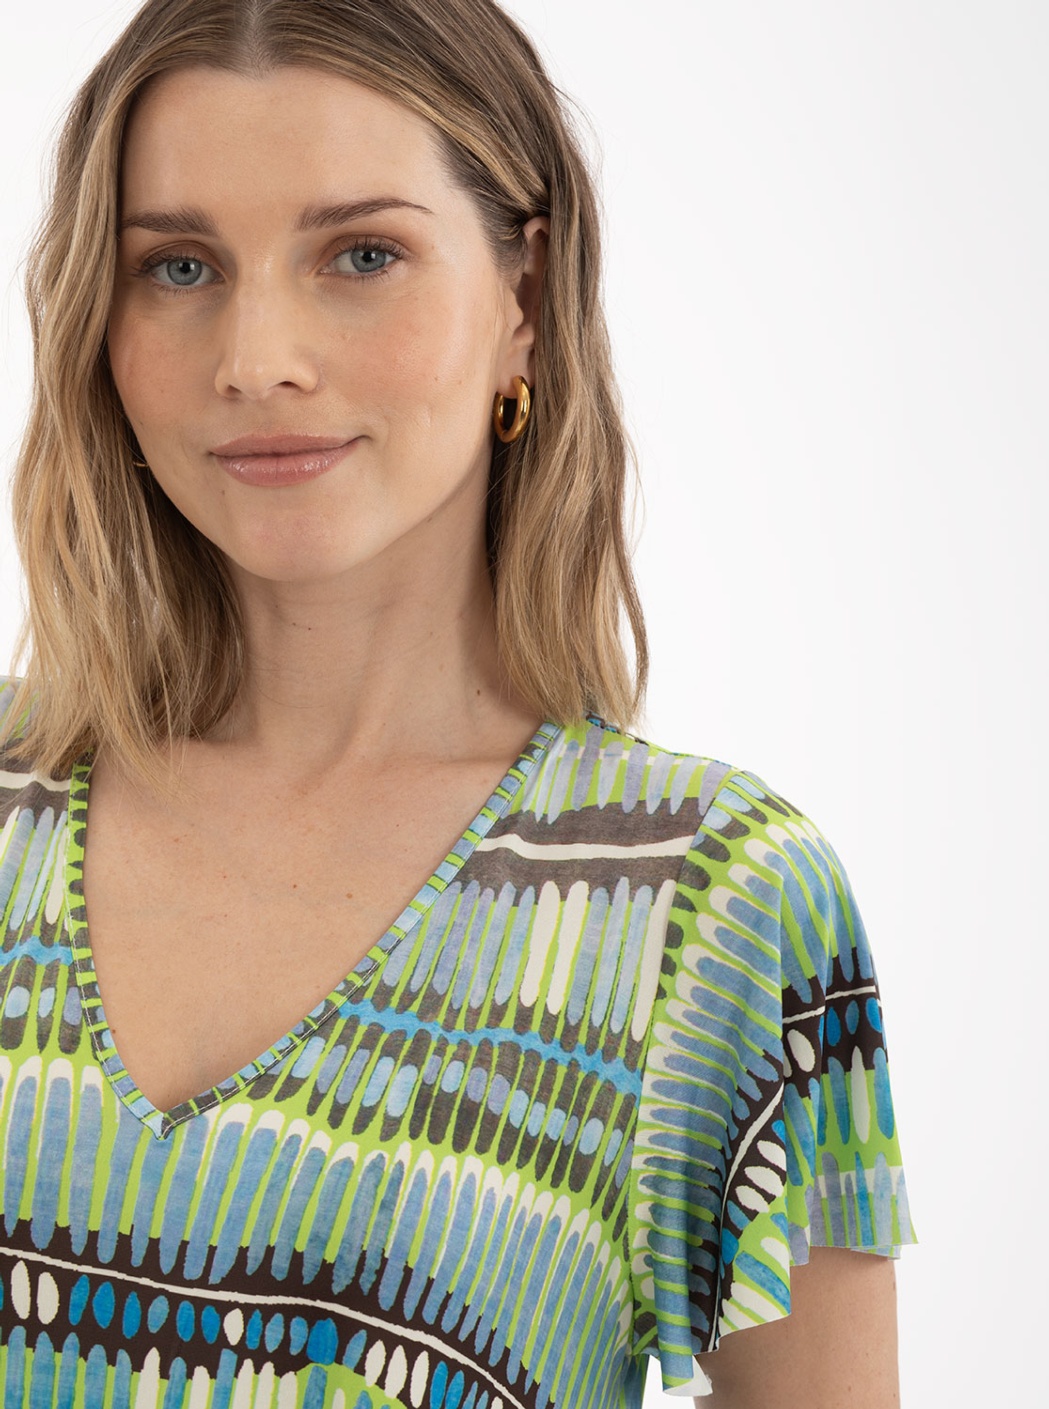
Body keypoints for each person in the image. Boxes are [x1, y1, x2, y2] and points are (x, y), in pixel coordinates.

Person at [0, 1, 916, 1406]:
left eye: (361, 255)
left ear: (523, 299)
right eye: (179, 266)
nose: (257, 356)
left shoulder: (708, 913)